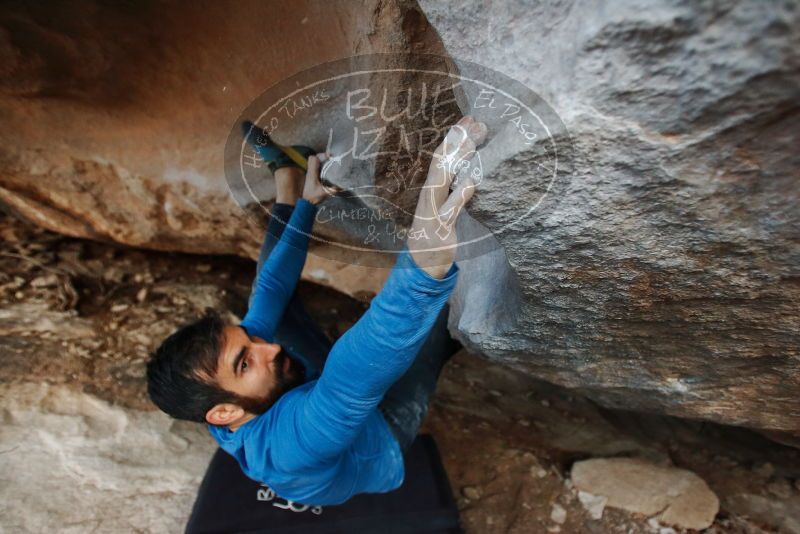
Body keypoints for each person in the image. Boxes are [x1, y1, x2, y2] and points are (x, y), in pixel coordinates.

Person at [146, 115, 487, 506]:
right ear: (224, 413)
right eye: (245, 363)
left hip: (310, 395)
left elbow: (271, 290)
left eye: (249, 342)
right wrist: (422, 269)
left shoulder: (222, 394)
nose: (268, 348)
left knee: (272, 299)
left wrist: (306, 205)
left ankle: (287, 182)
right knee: (436, 324)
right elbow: (349, 378)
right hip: (379, 434)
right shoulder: (291, 447)